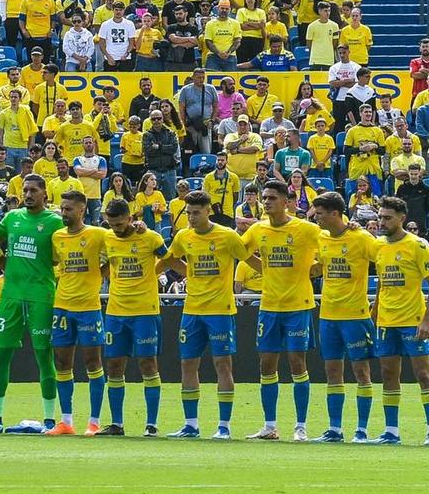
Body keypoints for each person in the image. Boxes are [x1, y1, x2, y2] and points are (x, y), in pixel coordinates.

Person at [160, 190, 251, 441]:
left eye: (196, 212)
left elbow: (248, 259)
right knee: (188, 363)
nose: (191, 217)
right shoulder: (183, 236)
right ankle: (191, 424)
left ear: (208, 211)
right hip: (191, 310)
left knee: (223, 364)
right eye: (188, 213)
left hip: (220, 310)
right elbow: (171, 259)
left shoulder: (227, 236)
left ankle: (224, 425)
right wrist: (188, 272)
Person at [242, 178, 320, 441]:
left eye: (271, 198)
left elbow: (330, 250)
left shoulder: (306, 230)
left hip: (298, 306)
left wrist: (312, 270)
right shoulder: (257, 230)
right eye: (264, 198)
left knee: (298, 363)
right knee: (266, 364)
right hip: (269, 306)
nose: (266, 202)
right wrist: (263, 269)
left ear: (286, 202)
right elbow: (241, 253)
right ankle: (270, 426)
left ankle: (300, 426)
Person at [0, 175, 63, 433]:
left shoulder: (55, 221)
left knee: (44, 356)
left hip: (41, 295)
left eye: (33, 190)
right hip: (10, 295)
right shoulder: (12, 218)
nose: (28, 194)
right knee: (1, 354)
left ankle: (50, 420)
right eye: (25, 190)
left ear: (44, 195)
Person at [311, 190, 380, 443]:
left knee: (362, 372)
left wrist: (379, 301)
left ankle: (361, 430)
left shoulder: (361, 238)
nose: (316, 217)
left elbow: (383, 261)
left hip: (356, 316)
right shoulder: (321, 238)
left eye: (319, 213)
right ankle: (335, 429)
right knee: (332, 371)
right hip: (328, 316)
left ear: (335, 214)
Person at [99, 196, 168, 439]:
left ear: (130, 218)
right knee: (114, 365)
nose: (114, 229)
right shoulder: (106, 238)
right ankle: (117, 423)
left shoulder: (150, 237)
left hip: (145, 312)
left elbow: (168, 259)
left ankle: (151, 424)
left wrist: (152, 273)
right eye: (110, 224)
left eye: (118, 224)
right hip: (116, 312)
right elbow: (103, 265)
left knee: (148, 364)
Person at [46, 191, 108, 436]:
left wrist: (101, 273)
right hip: (62, 306)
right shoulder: (57, 237)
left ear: (82, 210)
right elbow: (52, 263)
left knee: (93, 362)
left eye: (69, 209)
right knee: (62, 363)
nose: (64, 213)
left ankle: (94, 421)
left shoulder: (97, 234)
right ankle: (66, 421)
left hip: (89, 308)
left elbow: (119, 246)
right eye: (62, 208)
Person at [370, 196, 429, 443]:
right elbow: (383, 280)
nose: (382, 222)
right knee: (388, 373)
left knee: (423, 374)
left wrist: (427, 321)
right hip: (387, 320)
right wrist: (375, 307)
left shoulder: (418, 245)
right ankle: (391, 431)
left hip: (413, 320)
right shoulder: (379, 246)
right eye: (380, 217)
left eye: (387, 218)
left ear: (402, 218)